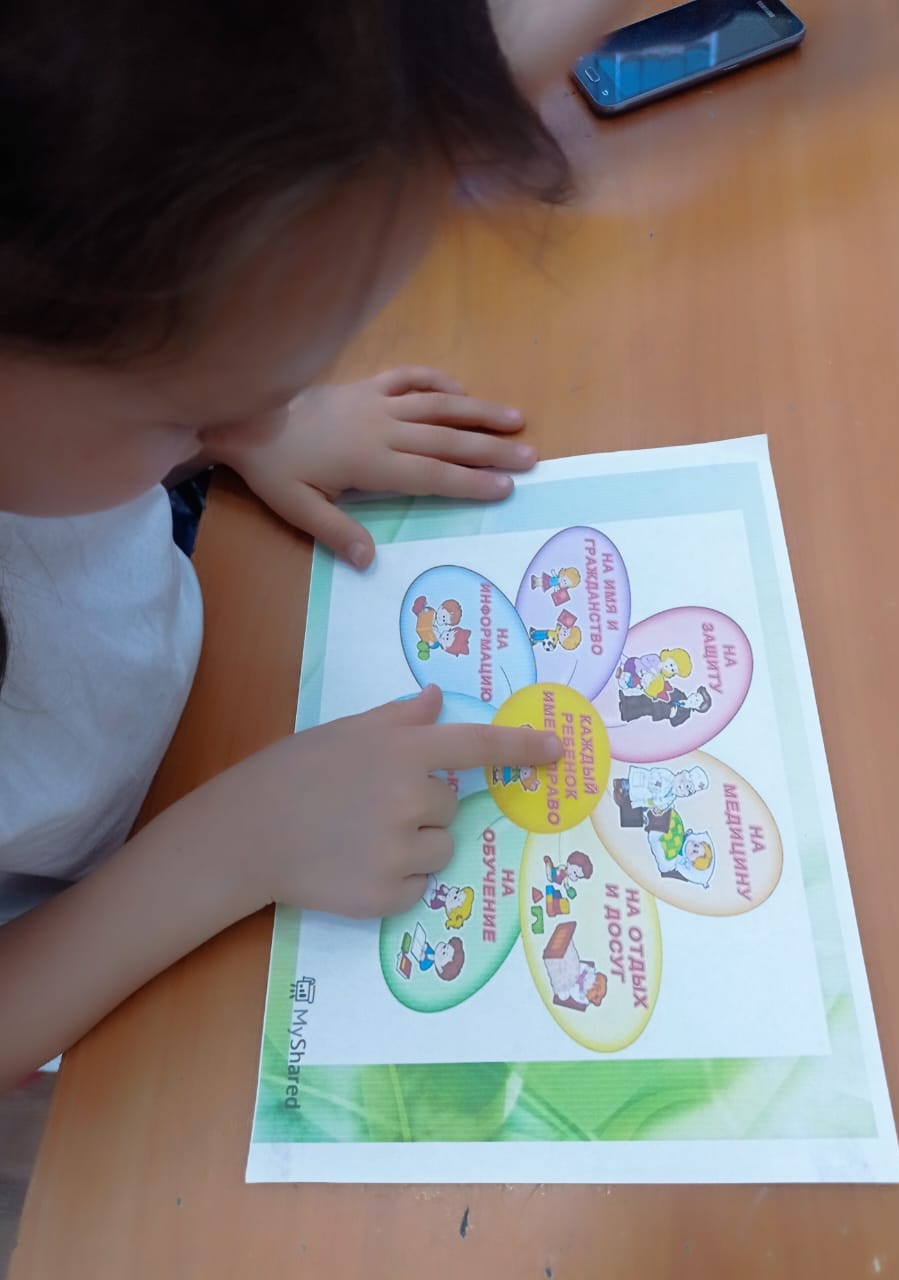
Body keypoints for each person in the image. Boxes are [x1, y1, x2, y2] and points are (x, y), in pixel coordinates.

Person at [0, 0, 639, 1088]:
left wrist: (230, 433)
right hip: (92, 934)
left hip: (194, 679)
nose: (264, 418)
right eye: (192, 407)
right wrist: (233, 847)